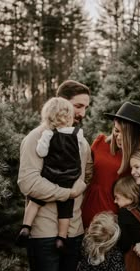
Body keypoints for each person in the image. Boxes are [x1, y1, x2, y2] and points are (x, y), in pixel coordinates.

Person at [17, 80, 92, 271]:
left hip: (74, 231)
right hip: (44, 234)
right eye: (77, 106)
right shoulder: (36, 138)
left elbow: (87, 173)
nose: (81, 113)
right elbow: (28, 182)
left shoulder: (81, 140)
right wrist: (67, 193)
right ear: (60, 103)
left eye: (85, 108)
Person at [17, 97, 85, 250]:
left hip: (51, 173)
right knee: (66, 211)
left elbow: (41, 152)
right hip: (70, 176)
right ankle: (61, 237)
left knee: (34, 201)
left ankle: (26, 226)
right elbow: (79, 154)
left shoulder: (48, 133)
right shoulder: (77, 133)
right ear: (70, 117)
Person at [81, 101, 140, 228]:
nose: (118, 137)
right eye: (116, 130)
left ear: (133, 135)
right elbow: (85, 171)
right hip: (87, 207)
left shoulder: (138, 157)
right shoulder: (100, 142)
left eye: (124, 133)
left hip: (112, 215)